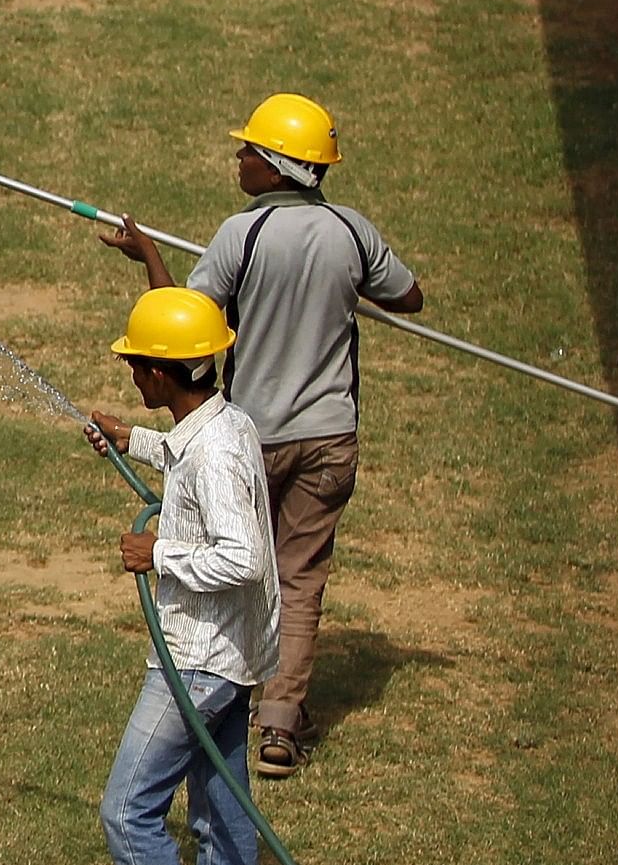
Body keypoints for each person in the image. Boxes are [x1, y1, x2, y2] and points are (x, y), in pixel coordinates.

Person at [100, 92, 423, 777]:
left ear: (277, 166)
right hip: (331, 437)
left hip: (251, 437)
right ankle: (278, 724)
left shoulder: (240, 235)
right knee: (298, 577)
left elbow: (185, 323)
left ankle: (226, 696)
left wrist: (148, 255)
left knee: (245, 564)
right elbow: (408, 295)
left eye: (248, 149)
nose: (238, 157)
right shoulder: (351, 231)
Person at [83, 286, 279, 865]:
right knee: (223, 810)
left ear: (162, 375)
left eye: (136, 365)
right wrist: (128, 438)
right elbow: (185, 453)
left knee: (126, 810)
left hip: (198, 661)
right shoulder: (227, 423)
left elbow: (245, 557)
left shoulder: (213, 454)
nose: (131, 374)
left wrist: (158, 554)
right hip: (233, 655)